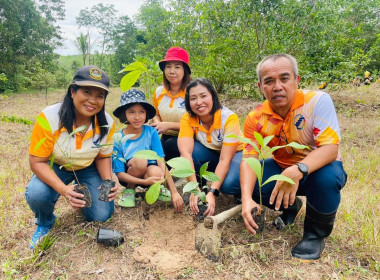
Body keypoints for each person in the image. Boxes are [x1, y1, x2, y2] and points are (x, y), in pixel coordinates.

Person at [240, 54, 347, 261]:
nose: (277, 86)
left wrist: (298, 170)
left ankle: (315, 235)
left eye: (284, 78)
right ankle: (291, 206)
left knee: (327, 178)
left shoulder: (316, 101)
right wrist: (246, 199)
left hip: (318, 169)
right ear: (260, 86)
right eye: (269, 81)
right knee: (246, 182)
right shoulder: (255, 117)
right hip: (283, 169)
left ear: (297, 80)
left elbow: (330, 149)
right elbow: (249, 157)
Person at [26, 66, 117, 249]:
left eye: (100, 95)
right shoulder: (49, 117)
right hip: (56, 166)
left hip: (88, 166)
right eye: (87, 92)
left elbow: (102, 156)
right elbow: (37, 162)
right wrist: (64, 190)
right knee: (38, 194)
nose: (93, 100)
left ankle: (83, 196)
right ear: (73, 91)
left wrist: (107, 181)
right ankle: (45, 222)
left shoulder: (107, 123)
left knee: (101, 215)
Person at [178, 78, 244, 217]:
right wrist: (194, 189)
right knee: (192, 152)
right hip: (214, 153)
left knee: (228, 184)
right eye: (193, 98)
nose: (199, 102)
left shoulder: (229, 118)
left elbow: (225, 160)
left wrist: (213, 191)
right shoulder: (188, 118)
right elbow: (185, 153)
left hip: (236, 154)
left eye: (203, 96)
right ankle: (200, 191)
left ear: (213, 96)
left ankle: (239, 192)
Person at [112, 89, 184, 212]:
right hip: (131, 173)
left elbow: (161, 160)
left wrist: (174, 192)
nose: (137, 117)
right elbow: (120, 174)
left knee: (157, 171)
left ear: (146, 114)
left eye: (141, 112)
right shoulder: (118, 138)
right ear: (124, 114)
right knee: (140, 160)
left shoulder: (151, 132)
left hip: (149, 172)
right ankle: (130, 189)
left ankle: (155, 188)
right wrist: (143, 181)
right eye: (131, 112)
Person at [151, 47, 192, 161]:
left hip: (189, 137)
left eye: (177, 67)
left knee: (169, 146)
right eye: (168, 66)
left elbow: (197, 123)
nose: (171, 71)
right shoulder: (159, 92)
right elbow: (155, 113)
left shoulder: (192, 93)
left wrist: (168, 125)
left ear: (185, 70)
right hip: (165, 136)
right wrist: (158, 124)